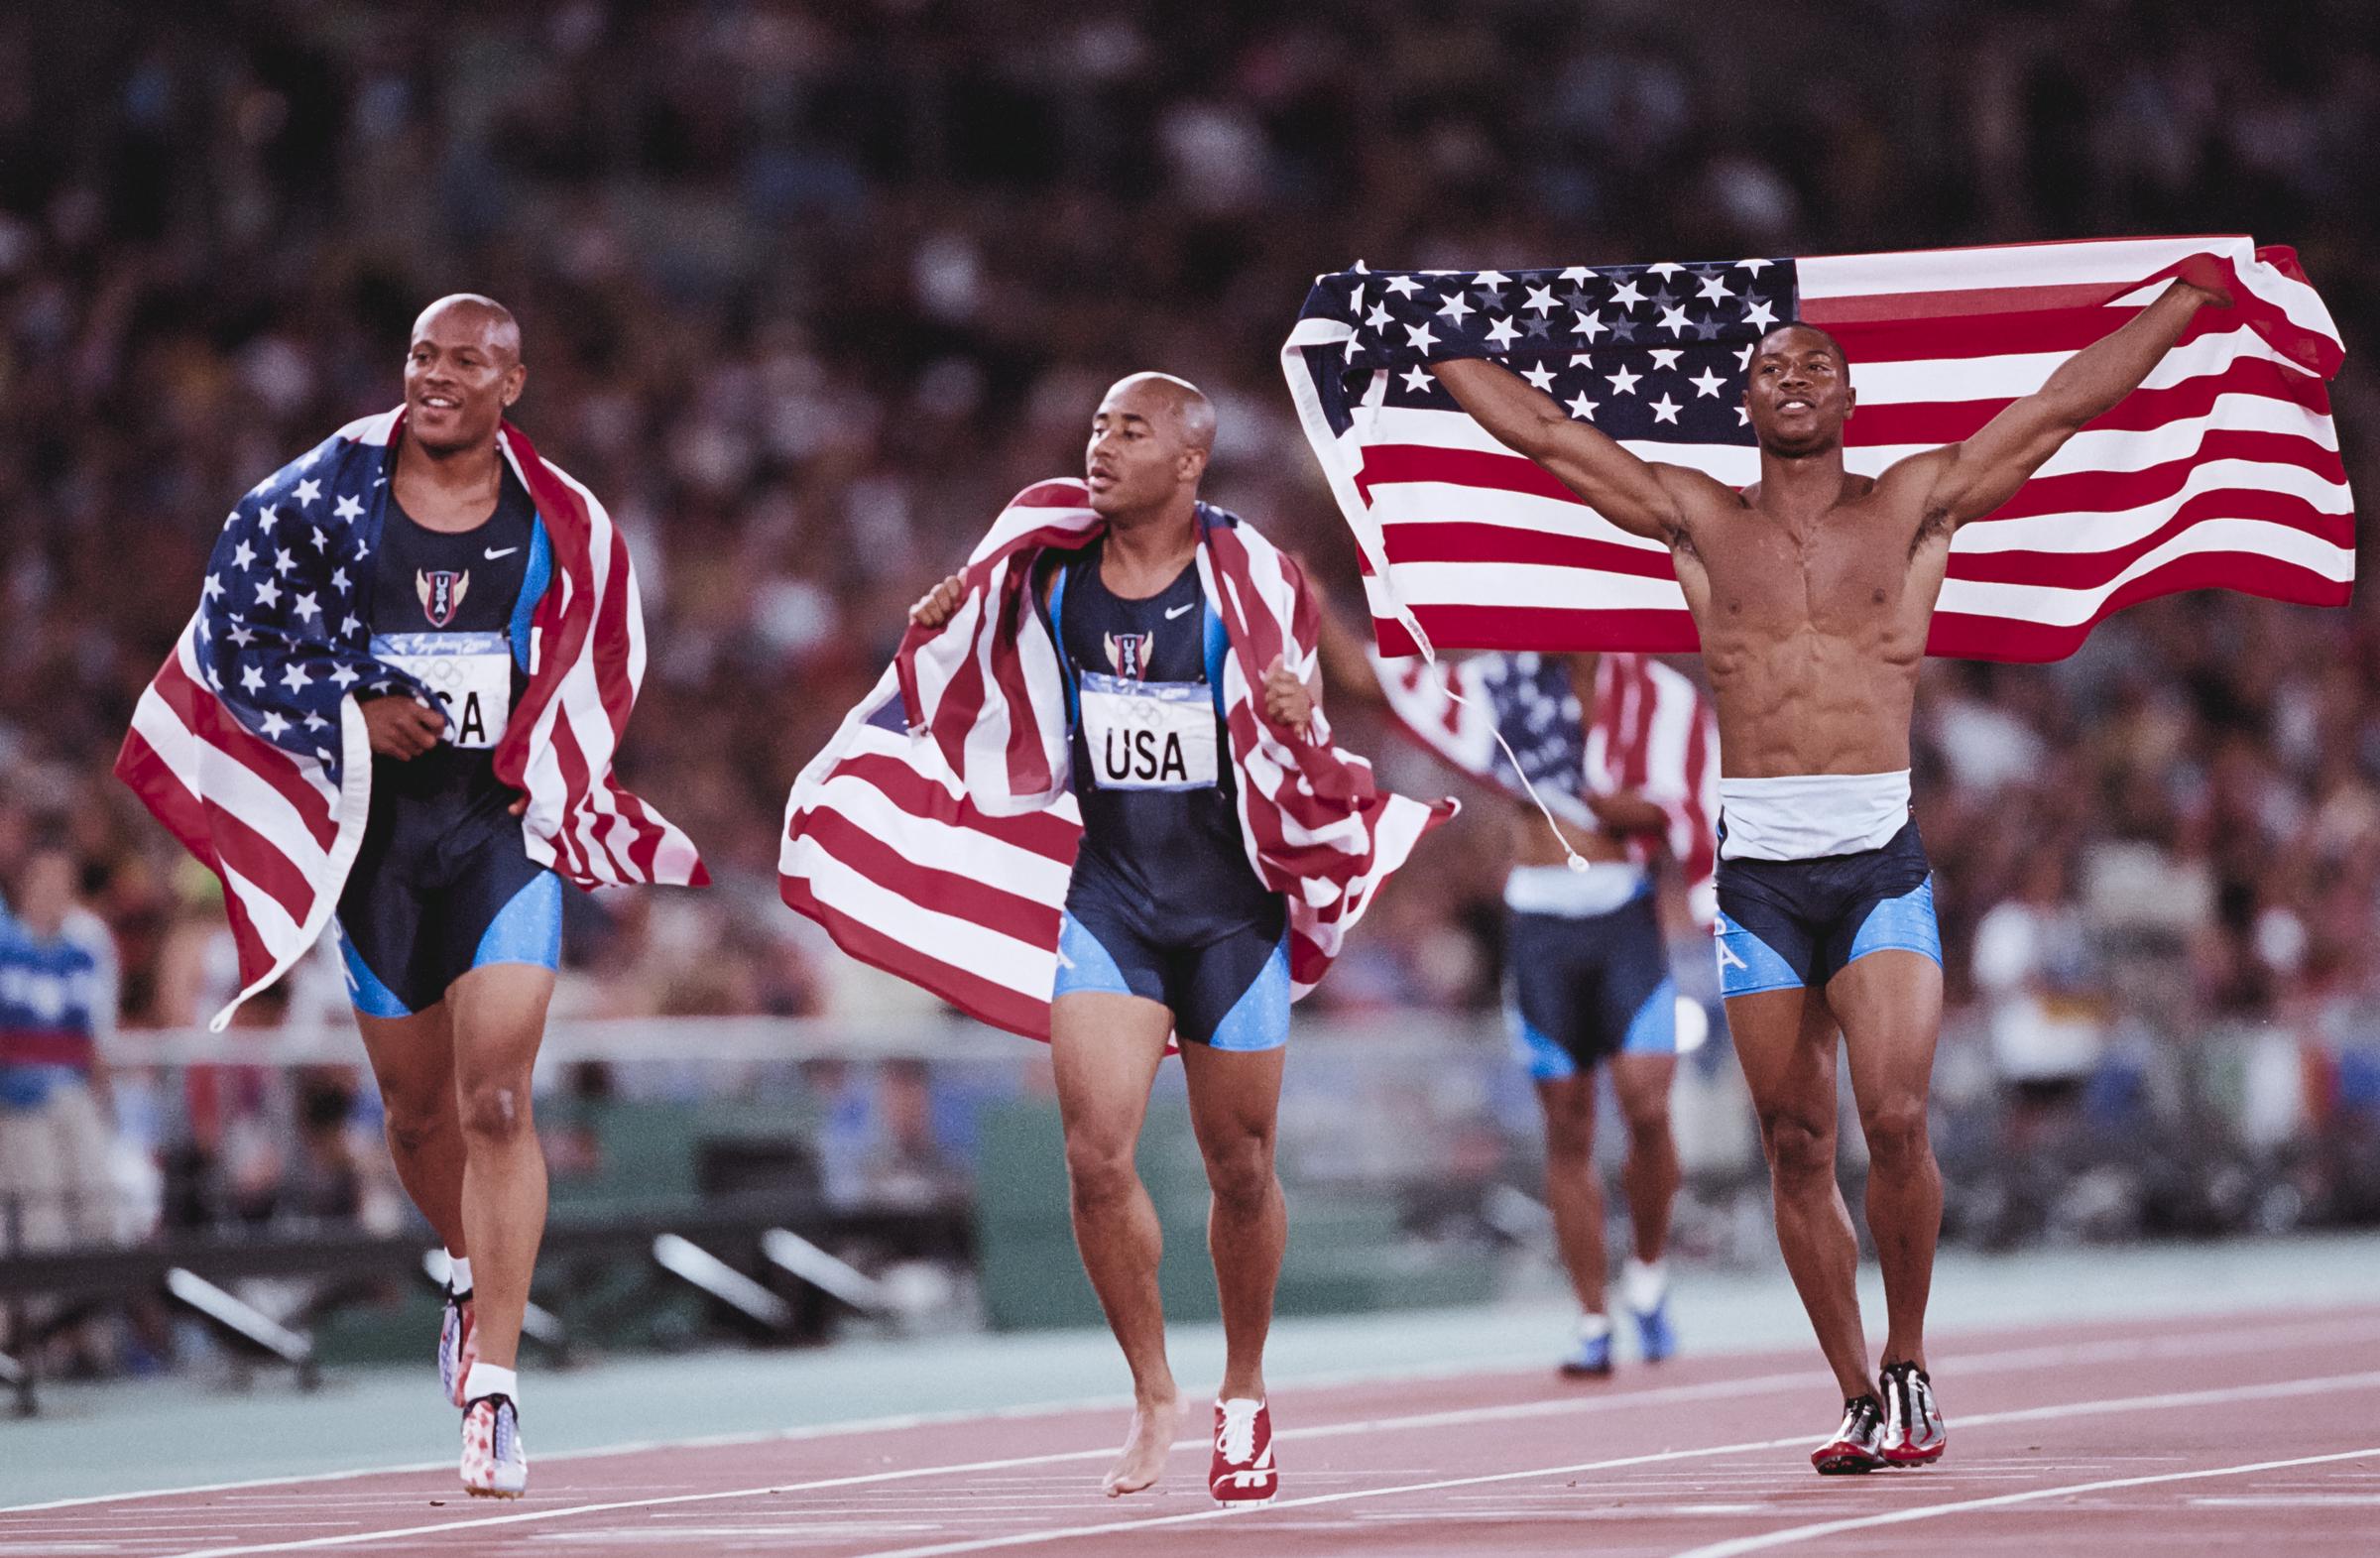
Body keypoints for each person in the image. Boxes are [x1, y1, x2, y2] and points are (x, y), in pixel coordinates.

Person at [1430, 268, 2234, 1472]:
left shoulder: (1912, 502)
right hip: (1759, 872)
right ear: (1741, 401)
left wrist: (2186, 305)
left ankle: (1911, 1360)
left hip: (1876, 859)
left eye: (1815, 365)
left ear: (1852, 395)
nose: (1794, 379)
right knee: (1795, 1138)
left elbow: (2063, 405)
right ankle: (1858, 1389)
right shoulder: (1701, 517)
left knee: (1897, 1120)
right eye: (1771, 368)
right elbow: (1549, 435)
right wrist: (1428, 339)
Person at [124, 292, 701, 1498]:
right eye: (423, 355)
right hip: (376, 849)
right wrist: (350, 707)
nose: (438, 375)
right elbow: (236, 628)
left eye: (467, 361)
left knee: (496, 1096)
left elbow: (600, 658)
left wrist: (548, 773)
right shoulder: (324, 496)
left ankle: (492, 1383)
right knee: (418, 1116)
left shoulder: (562, 523)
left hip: (495, 835)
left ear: (513, 384)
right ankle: (461, 1266)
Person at [906, 374, 1336, 1505]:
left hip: (1233, 913)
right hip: (1115, 899)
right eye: (1096, 426)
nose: (1100, 445)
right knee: (1096, 1156)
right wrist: (948, 622)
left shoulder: (1247, 576)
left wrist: (1300, 713)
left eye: (1129, 431)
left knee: (1239, 1167)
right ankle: (1155, 1391)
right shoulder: (1047, 569)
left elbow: (1303, 686)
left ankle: (1243, 1388)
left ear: (1189, 461)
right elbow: (975, 657)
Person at [1314, 616, 1712, 1378]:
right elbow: (1378, 681)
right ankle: (1593, 1315)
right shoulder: (1510, 683)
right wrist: (1312, 596)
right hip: (1539, 922)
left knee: (1649, 1106)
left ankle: (1650, 1275)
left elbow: (1692, 799)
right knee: (1567, 1124)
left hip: (1623, 914)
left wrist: (1632, 811)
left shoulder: (1651, 698)